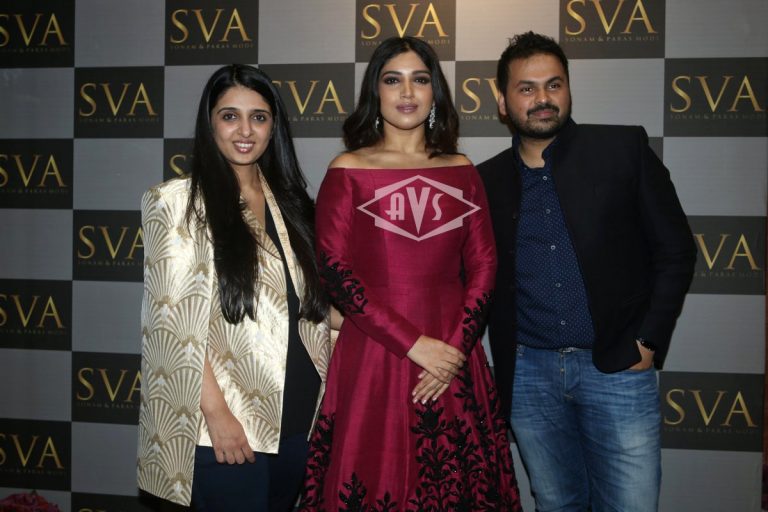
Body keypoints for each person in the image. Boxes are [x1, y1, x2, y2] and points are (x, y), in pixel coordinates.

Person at [299, 36, 522, 511]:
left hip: (452, 353)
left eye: (420, 79)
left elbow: (485, 265)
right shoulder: (348, 170)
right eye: (392, 79)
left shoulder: (461, 170)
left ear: (434, 92)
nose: (407, 92)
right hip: (375, 353)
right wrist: (414, 344)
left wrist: (453, 350)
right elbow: (335, 270)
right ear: (374, 92)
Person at [477, 32, 697, 512]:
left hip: (616, 367)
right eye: (527, 88)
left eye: (554, 85)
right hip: (529, 375)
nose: (543, 98)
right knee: (557, 504)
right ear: (503, 100)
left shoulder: (622, 148)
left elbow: (676, 249)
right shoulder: (485, 180)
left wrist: (648, 340)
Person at [137, 64, 335, 511]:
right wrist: (217, 414)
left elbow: (309, 306)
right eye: (230, 116)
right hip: (228, 427)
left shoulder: (294, 205)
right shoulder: (175, 202)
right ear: (210, 124)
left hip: (299, 419)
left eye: (259, 117)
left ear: (273, 127)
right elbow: (171, 321)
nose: (245, 130)